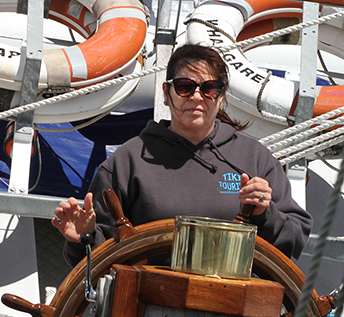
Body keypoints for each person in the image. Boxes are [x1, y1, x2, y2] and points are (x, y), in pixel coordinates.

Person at [52, 43, 312, 266]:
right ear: (167, 93)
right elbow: (95, 260)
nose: (197, 96)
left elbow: (294, 241)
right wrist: (81, 238)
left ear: (220, 97)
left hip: (235, 311)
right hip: (144, 309)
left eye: (209, 88)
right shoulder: (128, 160)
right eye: (185, 86)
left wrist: (264, 214)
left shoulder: (255, 158)